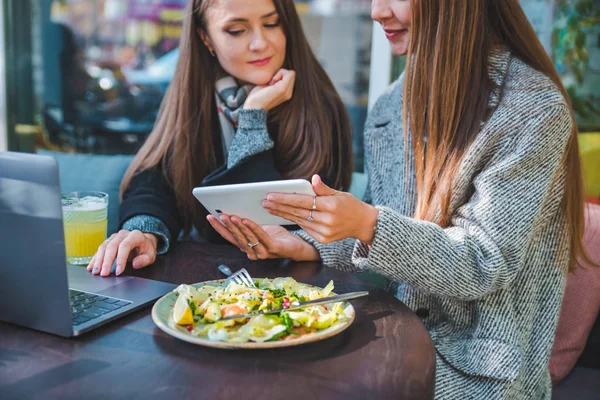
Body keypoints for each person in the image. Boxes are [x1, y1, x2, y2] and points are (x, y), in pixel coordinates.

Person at [210, 0, 596, 398]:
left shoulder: (533, 110)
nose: (378, 12)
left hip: (480, 375)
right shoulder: (388, 109)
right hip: (391, 340)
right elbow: (384, 243)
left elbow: (483, 263)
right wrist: (309, 245)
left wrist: (367, 223)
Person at [87, 0, 352, 277]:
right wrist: (145, 232)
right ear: (206, 38)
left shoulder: (322, 109)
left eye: (272, 23)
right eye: (237, 30)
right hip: (206, 281)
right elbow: (156, 181)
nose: (260, 43)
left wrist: (253, 116)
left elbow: (262, 220)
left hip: (292, 286)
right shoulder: (196, 96)